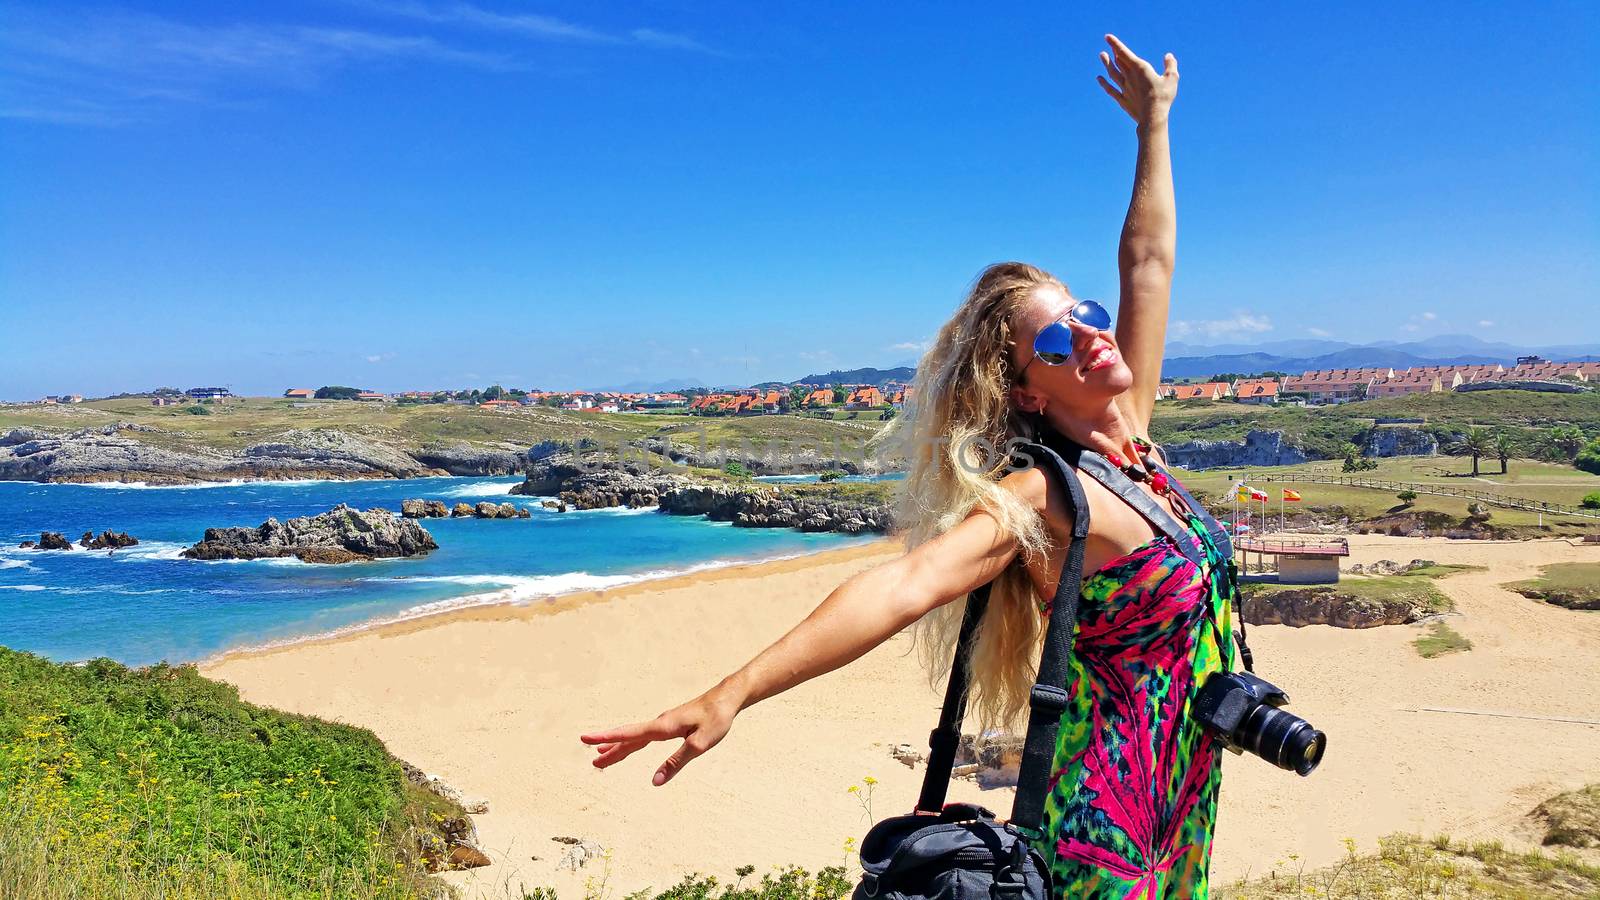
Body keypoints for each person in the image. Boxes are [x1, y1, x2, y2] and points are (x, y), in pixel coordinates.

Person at [582, 34, 1232, 897]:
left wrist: (1154, 125)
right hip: (1107, 830)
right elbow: (901, 587)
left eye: (1082, 312)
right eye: (1053, 336)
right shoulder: (1046, 494)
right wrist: (730, 693)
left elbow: (1147, 262)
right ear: (1028, 391)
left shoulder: (1136, 436)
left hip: (1178, 804)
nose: (1087, 331)